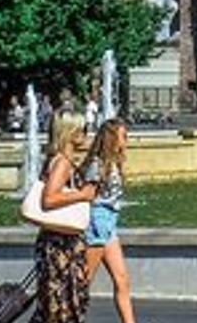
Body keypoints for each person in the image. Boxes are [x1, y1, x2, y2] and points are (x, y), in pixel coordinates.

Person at [35, 115, 96, 323]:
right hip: (60, 246)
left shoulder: (61, 160)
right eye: (83, 129)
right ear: (71, 132)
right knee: (60, 308)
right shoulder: (62, 163)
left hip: (61, 242)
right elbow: (49, 199)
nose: (87, 134)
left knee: (59, 306)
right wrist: (83, 195)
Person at [80, 119, 137, 323]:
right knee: (83, 282)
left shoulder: (113, 162)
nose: (127, 140)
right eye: (124, 135)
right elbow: (87, 194)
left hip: (109, 223)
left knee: (122, 280)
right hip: (98, 221)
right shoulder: (98, 164)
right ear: (112, 139)